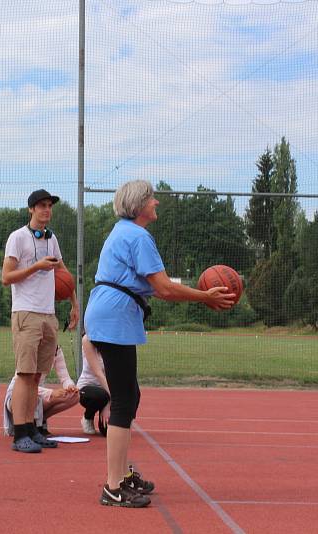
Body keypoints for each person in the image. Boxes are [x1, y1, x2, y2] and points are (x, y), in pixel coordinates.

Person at [84, 180, 235, 507]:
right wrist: (204, 296)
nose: (156, 203)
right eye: (152, 198)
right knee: (124, 399)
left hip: (108, 313)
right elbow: (164, 288)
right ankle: (114, 485)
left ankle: (122, 474)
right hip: (113, 316)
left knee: (129, 396)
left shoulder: (122, 231)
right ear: (139, 205)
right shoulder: (138, 236)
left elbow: (154, 286)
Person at [2, 189, 78, 453]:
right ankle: (20, 432)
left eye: (49, 206)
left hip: (48, 314)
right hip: (26, 312)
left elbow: (63, 272)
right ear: (31, 210)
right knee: (24, 374)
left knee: (37, 376)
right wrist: (36, 267)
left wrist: (74, 304)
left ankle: (33, 427)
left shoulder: (51, 239)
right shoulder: (18, 238)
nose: (47, 209)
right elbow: (6, 277)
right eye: (42, 206)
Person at [3, 344, 79, 438]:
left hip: (40, 394)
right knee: (38, 398)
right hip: (17, 396)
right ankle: (25, 425)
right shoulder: (32, 350)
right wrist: (51, 393)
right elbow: (24, 385)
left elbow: (65, 378)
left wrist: (71, 387)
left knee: (74, 397)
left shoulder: (56, 350)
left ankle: (39, 421)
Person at [76, 335, 110, 436]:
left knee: (107, 431)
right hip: (88, 387)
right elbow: (98, 373)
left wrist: (110, 403)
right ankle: (88, 417)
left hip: (108, 391)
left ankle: (126, 420)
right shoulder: (88, 340)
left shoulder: (113, 342)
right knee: (101, 395)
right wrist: (110, 398)